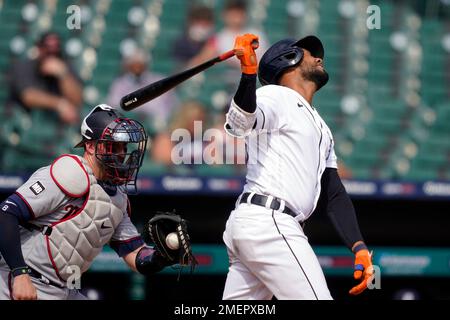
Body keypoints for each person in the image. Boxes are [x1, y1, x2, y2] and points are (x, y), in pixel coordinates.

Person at [221, 34, 374, 299]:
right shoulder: (276, 95)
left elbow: (333, 192)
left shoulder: (321, 127)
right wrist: (248, 74)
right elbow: (240, 124)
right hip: (270, 222)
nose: (319, 58)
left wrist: (358, 245)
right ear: (287, 59)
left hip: (257, 224)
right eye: (310, 52)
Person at [0, 104, 180, 300]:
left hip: (64, 289)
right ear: (91, 145)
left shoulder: (118, 198)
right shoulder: (69, 173)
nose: (121, 153)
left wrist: (161, 257)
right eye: (113, 145)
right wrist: (20, 274)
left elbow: (136, 257)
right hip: (21, 280)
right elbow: (6, 213)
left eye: (123, 146)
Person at [8, 31, 82, 125]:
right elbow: (28, 96)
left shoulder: (65, 67)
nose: (51, 54)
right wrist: (60, 104)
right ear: (39, 49)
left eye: (55, 50)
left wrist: (62, 75)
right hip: (24, 122)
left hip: (57, 125)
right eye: (47, 49)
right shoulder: (24, 66)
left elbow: (77, 100)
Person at [107, 48, 179, 131]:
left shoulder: (159, 81)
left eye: (140, 63)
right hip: (127, 127)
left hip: (157, 127)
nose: (137, 67)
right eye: (134, 64)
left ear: (146, 64)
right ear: (128, 65)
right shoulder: (119, 84)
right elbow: (115, 106)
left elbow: (171, 107)